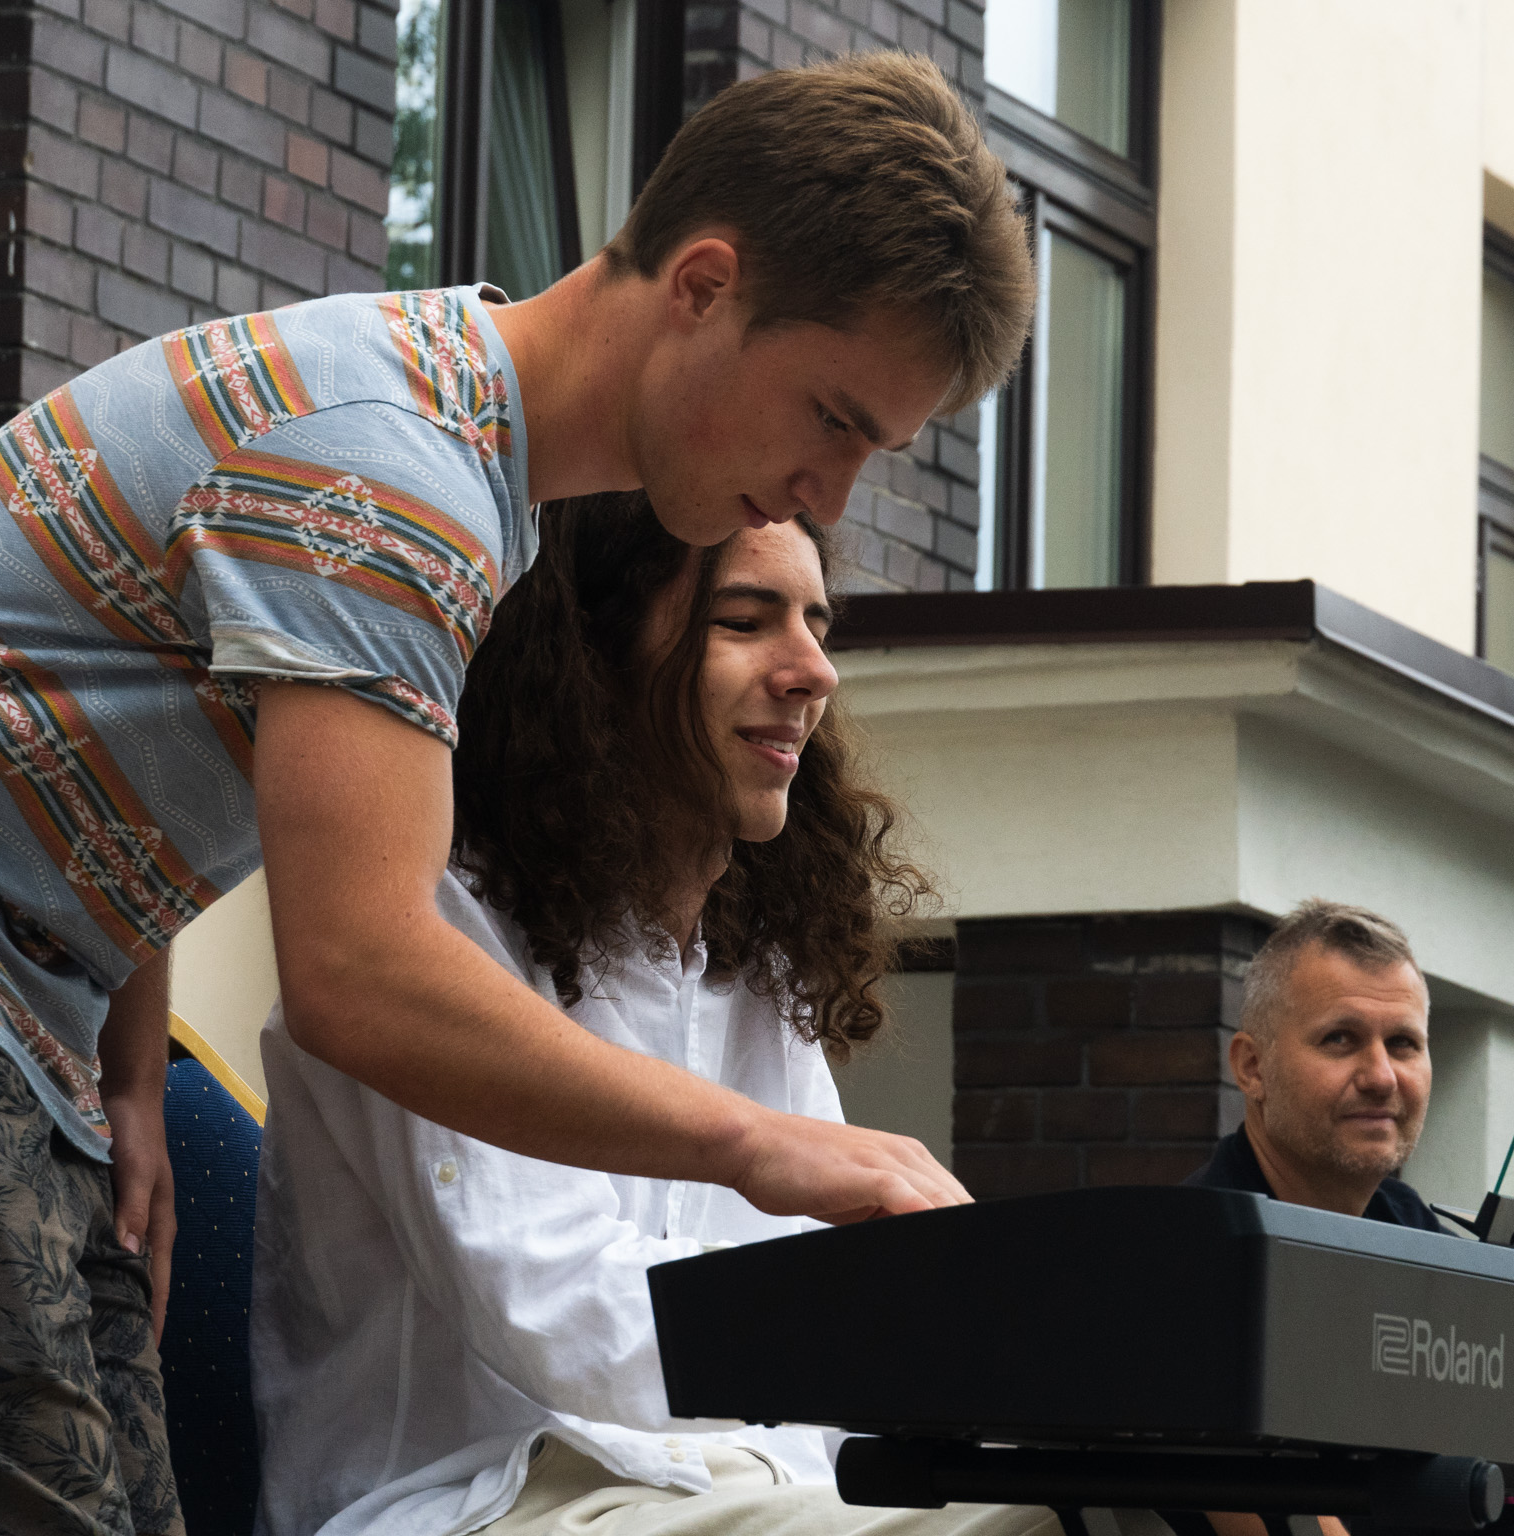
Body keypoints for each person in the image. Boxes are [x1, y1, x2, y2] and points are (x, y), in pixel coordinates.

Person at [0, 52, 1033, 1532]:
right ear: (704, 286)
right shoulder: (390, 476)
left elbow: (97, 703)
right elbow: (362, 975)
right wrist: (762, 1148)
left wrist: (130, 1069)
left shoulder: (437, 438)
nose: (830, 493)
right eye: (832, 418)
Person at [251, 494, 1054, 1536]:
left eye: (816, 626)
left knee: (1122, 1511)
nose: (813, 671)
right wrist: (907, 1330)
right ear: (590, 657)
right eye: (743, 620)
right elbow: (555, 1313)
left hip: (744, 1496)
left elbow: (827, 1372)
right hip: (480, 1504)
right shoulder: (427, 928)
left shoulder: (756, 977)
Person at [1184, 900, 1442, 1229]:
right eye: (1339, 1039)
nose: (1381, 1078)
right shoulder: (1184, 1246)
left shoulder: (1418, 1233)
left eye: (1402, 1043)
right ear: (1253, 1067)